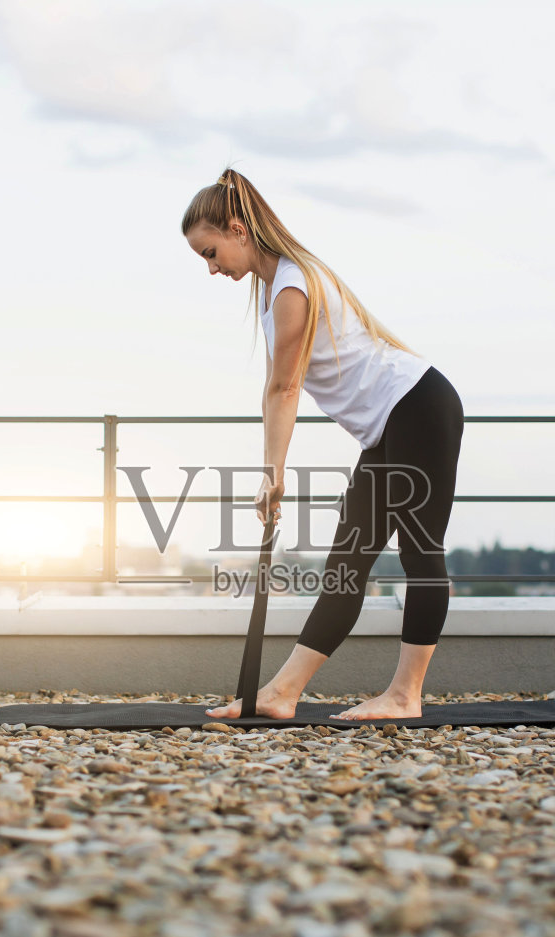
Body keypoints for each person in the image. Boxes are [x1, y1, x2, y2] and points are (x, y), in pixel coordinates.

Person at [182, 168, 465, 721]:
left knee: (420, 552)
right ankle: (283, 692)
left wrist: (273, 475)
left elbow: (284, 389)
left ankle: (404, 696)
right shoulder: (275, 288)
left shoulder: (293, 287)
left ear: (238, 229)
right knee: (347, 562)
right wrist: (272, 471)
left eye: (211, 253)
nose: (212, 268)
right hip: (392, 422)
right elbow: (275, 388)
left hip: (418, 406)